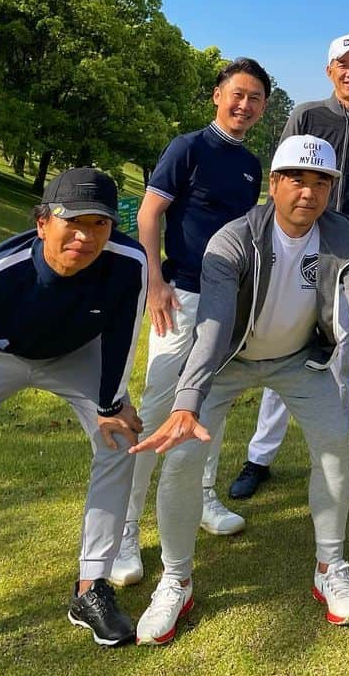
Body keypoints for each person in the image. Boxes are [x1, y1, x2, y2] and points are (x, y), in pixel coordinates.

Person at [129, 135, 349, 644]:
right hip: (229, 362)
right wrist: (187, 400)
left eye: (321, 182)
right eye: (298, 179)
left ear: (330, 189)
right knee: (182, 461)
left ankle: (330, 566)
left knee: (333, 452)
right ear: (275, 184)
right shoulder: (233, 239)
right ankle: (176, 579)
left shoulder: (341, 233)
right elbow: (213, 326)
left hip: (299, 361)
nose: (309, 192)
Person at [0, 169, 147, 647]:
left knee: (118, 441)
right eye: (71, 221)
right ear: (41, 223)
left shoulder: (129, 262)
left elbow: (122, 339)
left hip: (78, 355)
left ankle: (91, 587)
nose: (85, 235)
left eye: (99, 224)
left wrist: (112, 404)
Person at [111, 57, 270, 588]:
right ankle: (127, 530)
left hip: (226, 303)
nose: (245, 105)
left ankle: (204, 496)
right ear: (218, 95)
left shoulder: (252, 166)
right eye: (238, 94)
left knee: (212, 404)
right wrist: (155, 279)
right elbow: (149, 214)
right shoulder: (187, 148)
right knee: (159, 407)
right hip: (177, 295)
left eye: (255, 99)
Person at [229, 34, 349, 500]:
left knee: (338, 358)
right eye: (343, 65)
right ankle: (259, 457)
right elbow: (283, 176)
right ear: (330, 71)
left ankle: (334, 455)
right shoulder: (306, 115)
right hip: (298, 243)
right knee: (281, 348)